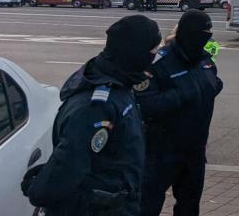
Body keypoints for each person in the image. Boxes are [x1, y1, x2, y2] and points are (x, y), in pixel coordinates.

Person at [22, 15, 162, 215]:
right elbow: (70, 162)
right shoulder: (97, 107)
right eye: (152, 52)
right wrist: (42, 187)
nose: (154, 58)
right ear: (134, 53)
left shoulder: (121, 83)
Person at [138, 10, 224, 216]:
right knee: (147, 205)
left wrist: (210, 88)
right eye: (203, 32)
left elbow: (212, 83)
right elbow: (144, 104)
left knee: (189, 205)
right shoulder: (159, 63)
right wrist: (180, 95)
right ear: (189, 33)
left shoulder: (205, 60)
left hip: (195, 150)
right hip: (161, 151)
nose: (207, 37)